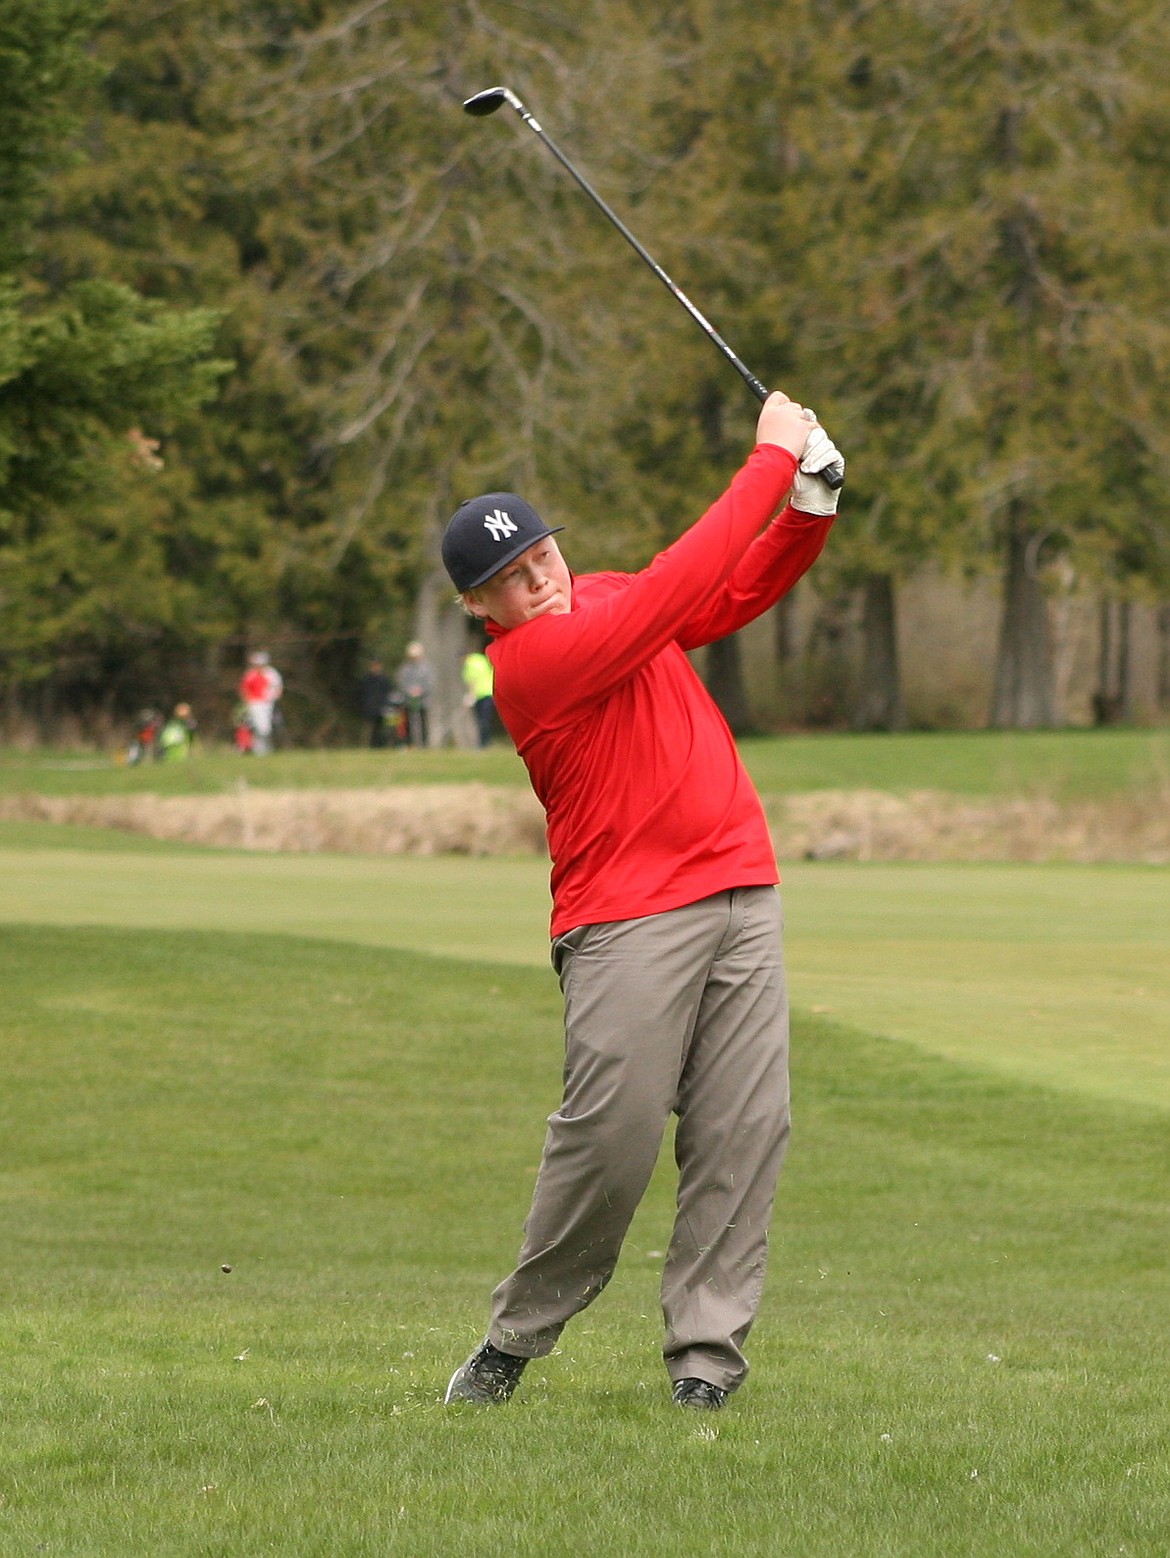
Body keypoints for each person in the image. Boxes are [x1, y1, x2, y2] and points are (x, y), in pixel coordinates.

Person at [439, 391, 844, 1412]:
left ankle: (705, 1364)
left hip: (741, 886)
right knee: (610, 1136)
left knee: (744, 1131)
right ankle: (515, 1338)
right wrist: (766, 462)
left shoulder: (608, 598)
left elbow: (727, 594)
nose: (540, 578)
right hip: (625, 915)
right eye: (512, 579)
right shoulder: (529, 663)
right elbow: (679, 587)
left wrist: (809, 509)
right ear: (482, 610)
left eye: (540, 556)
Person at [238, 650, 283, 756]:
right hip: (254, 702)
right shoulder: (250, 674)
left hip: (267, 702)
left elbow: (278, 687)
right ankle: (260, 749)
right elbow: (244, 689)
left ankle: (264, 748)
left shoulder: (271, 673)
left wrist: (274, 697)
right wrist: (247, 700)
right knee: (259, 725)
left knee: (265, 726)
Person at [395, 641, 432, 748]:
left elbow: (430, 683)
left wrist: (421, 690)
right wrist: (409, 691)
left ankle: (424, 744)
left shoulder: (426, 668)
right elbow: (401, 682)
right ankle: (409, 743)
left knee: (423, 722)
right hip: (408, 699)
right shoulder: (405, 669)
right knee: (407, 722)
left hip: (423, 700)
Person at [461, 646, 496, 748]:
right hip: (490, 692)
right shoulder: (481, 659)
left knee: (481, 720)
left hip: (480, 694)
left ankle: (483, 743)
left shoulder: (469, 665)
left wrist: (470, 696)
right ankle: (486, 742)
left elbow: (472, 681)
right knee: (485, 719)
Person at [358, 658, 392, 748]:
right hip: (370, 707)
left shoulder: (384, 679)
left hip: (382, 707)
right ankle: (369, 745)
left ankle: (383, 745)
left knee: (383, 728)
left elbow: (388, 693)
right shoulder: (367, 679)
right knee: (370, 728)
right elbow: (363, 694)